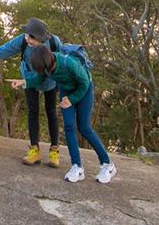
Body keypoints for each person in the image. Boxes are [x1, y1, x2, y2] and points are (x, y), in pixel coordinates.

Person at [0, 18, 62, 167]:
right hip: (27, 77)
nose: (27, 40)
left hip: (49, 80)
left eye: (31, 38)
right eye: (26, 36)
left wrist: (63, 86)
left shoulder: (54, 43)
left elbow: (60, 64)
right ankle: (34, 150)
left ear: (41, 39)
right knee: (33, 111)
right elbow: (2, 50)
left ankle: (54, 151)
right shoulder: (23, 40)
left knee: (51, 111)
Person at [25, 43, 115, 184]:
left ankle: (107, 164)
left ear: (46, 60)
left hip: (83, 89)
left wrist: (72, 100)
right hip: (66, 90)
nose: (40, 70)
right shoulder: (46, 67)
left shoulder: (68, 62)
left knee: (84, 128)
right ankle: (77, 167)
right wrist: (24, 82)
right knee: (68, 127)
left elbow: (84, 83)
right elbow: (39, 79)